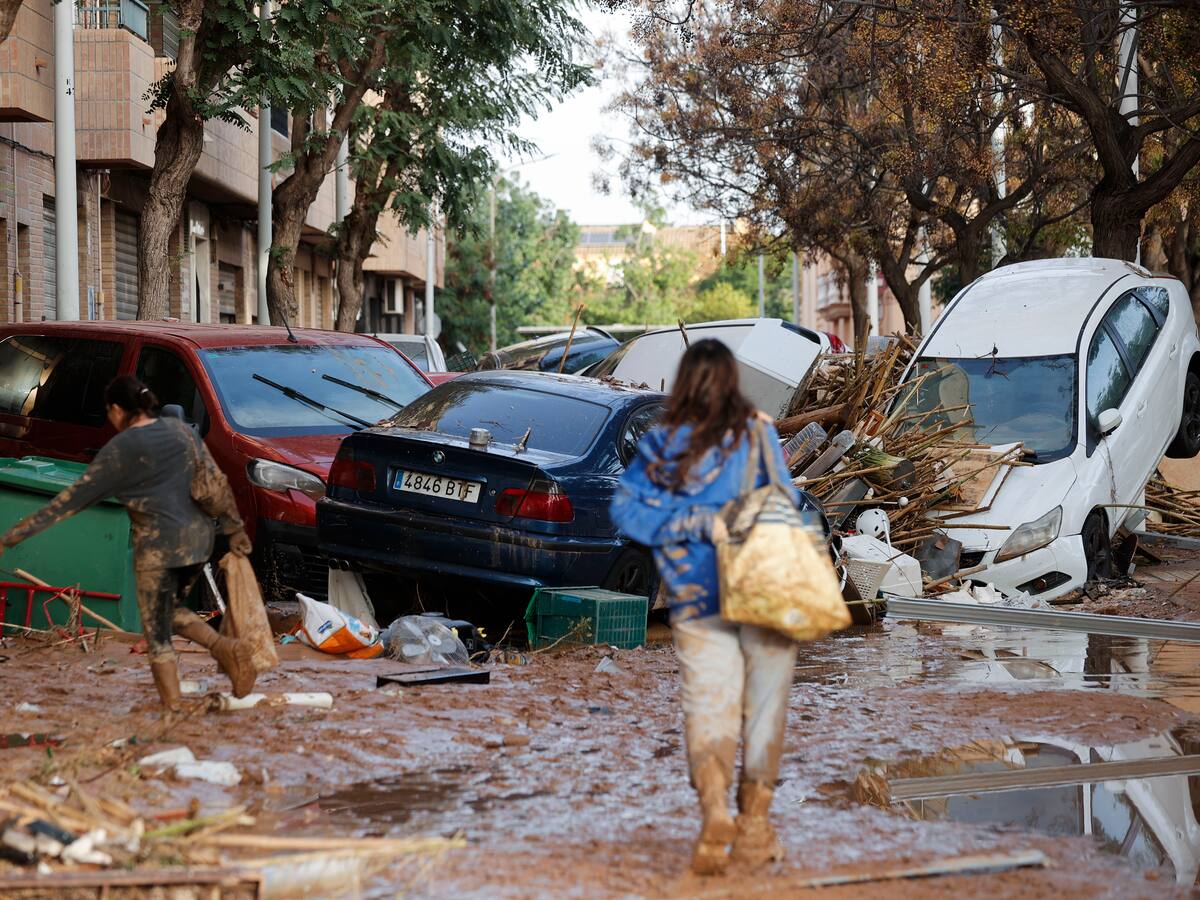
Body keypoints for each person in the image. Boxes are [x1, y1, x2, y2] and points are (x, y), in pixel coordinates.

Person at [612, 340, 804, 875]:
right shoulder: (758, 432)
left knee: (709, 708)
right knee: (763, 710)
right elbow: (787, 502)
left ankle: (715, 812)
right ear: (731, 381)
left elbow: (627, 512)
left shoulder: (663, 443)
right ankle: (754, 828)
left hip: (696, 601)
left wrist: (684, 523)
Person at [0, 375, 257, 711]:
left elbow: (68, 502)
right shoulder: (180, 431)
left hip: (159, 548)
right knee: (168, 612)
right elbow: (215, 485)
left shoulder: (120, 449)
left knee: (157, 631)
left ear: (119, 410)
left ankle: (174, 707)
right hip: (199, 541)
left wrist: (12, 537)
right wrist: (235, 529)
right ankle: (225, 651)